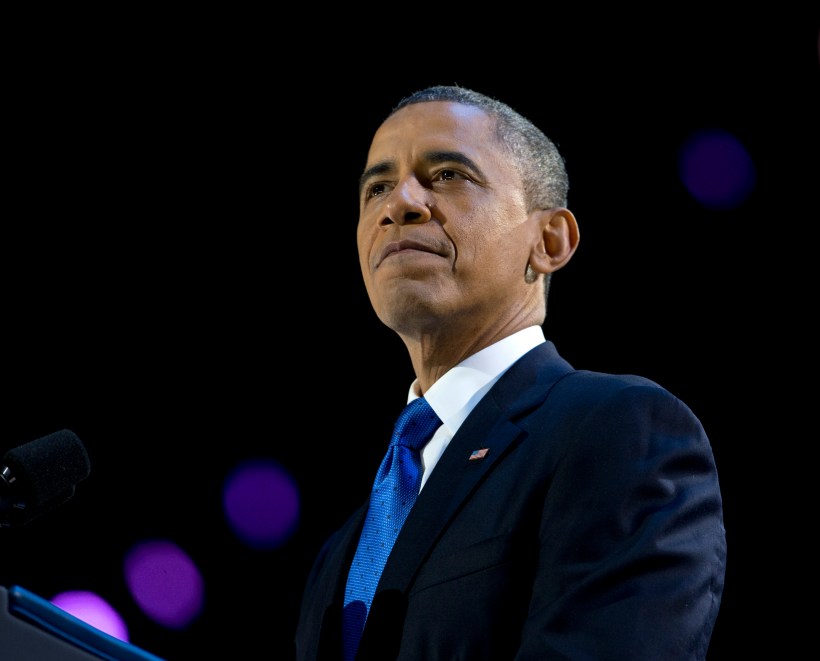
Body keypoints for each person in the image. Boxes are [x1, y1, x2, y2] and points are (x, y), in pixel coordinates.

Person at [295, 84, 727, 660]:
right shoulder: (343, 549)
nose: (399, 203)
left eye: (447, 175)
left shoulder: (618, 429)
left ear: (549, 241)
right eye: (376, 187)